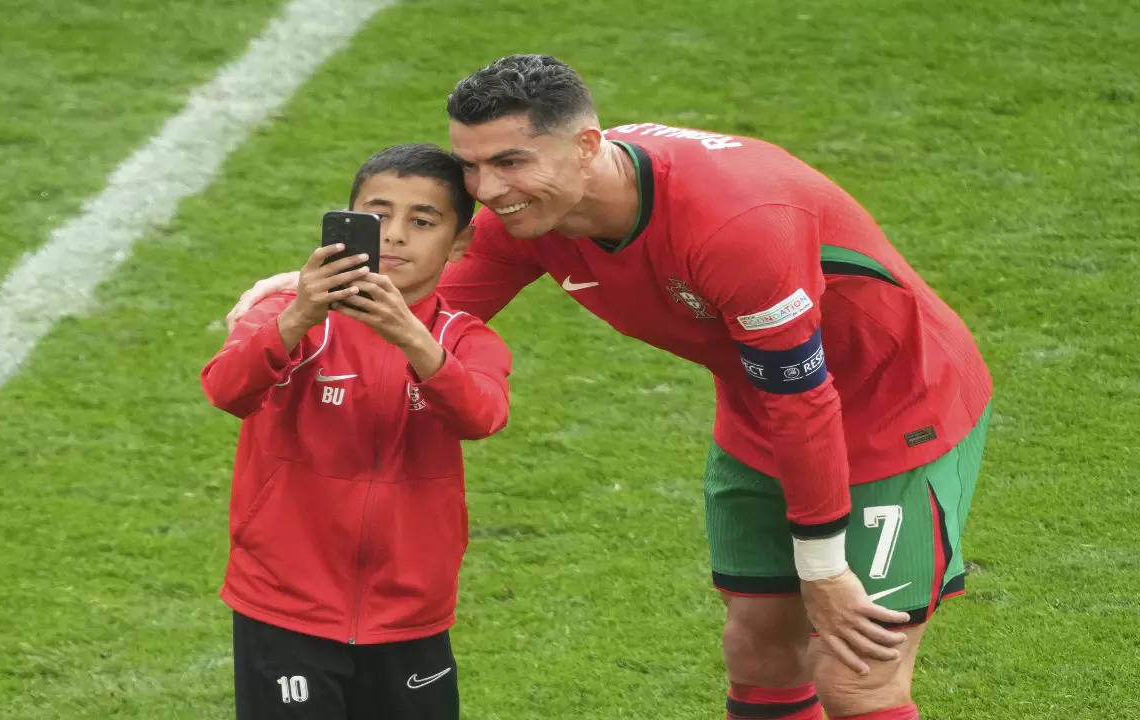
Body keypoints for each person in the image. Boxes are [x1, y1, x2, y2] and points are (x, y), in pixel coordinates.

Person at [226, 55, 992, 720]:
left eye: (511, 162)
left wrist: (823, 569)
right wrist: (300, 296)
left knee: (857, 676)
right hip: (762, 417)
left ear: (589, 145)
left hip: (900, 413)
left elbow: (806, 397)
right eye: (473, 166)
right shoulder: (533, 214)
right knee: (760, 649)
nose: (487, 191)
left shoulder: (736, 224)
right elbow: (434, 308)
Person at [201, 143, 511, 720]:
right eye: (377, 214)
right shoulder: (284, 315)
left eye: (422, 221)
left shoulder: (466, 337)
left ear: (460, 243)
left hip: (409, 610)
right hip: (284, 605)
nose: (394, 235)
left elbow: (482, 415)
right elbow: (225, 390)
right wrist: (298, 316)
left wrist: (410, 339)